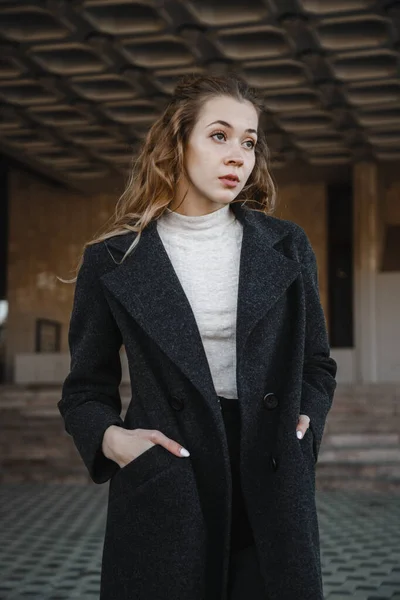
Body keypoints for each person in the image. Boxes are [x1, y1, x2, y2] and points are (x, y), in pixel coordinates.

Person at [58, 74, 337, 600]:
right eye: (219, 135)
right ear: (177, 143)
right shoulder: (114, 259)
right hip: (171, 466)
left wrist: (307, 426)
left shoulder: (287, 246)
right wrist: (113, 440)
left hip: (271, 464)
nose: (238, 155)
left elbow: (316, 364)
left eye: (249, 141)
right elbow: (85, 389)